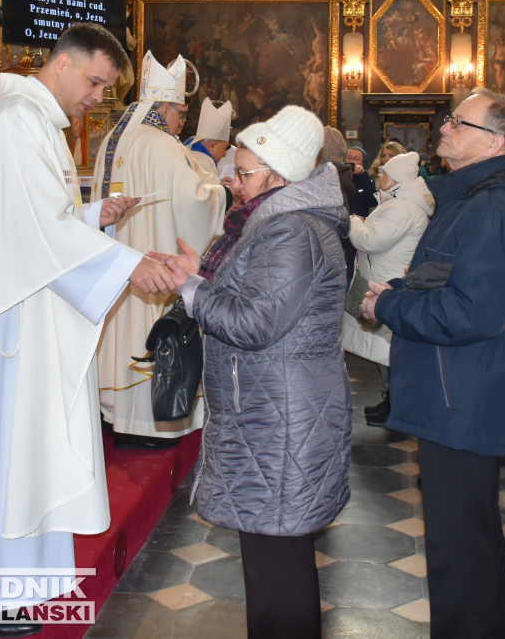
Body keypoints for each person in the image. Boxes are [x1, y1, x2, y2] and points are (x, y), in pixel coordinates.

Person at [0, 23, 178, 637]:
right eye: (96, 82)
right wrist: (132, 263)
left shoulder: (32, 123)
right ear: (64, 65)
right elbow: (35, 234)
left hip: (15, 307)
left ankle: (0, 587)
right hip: (0, 324)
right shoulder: (19, 122)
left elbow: (37, 223)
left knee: (9, 452)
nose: (98, 99)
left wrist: (92, 216)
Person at [155, 106, 351, 639]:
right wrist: (200, 276)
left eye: (243, 175)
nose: (235, 186)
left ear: (279, 174)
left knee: (278, 565)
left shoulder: (292, 232)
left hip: (281, 417)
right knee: (270, 558)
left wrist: (190, 290)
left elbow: (253, 322)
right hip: (270, 409)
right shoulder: (277, 223)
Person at [359, 87, 505, 638]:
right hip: (458, 388)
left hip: (463, 392)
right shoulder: (473, 199)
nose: (443, 129)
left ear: (495, 141)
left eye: (457, 123)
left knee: (459, 546)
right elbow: (449, 278)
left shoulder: (493, 209)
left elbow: (473, 313)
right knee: (469, 537)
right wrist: (400, 287)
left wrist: (388, 304)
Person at [91, 51, 229, 447]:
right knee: (145, 331)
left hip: (120, 262)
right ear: (163, 107)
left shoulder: (114, 141)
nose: (180, 123)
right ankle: (150, 425)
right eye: (179, 113)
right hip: (154, 264)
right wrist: (222, 196)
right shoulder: (161, 144)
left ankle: (116, 413)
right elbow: (193, 202)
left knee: (121, 334)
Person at [342, 151, 435, 426]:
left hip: (388, 283)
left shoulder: (402, 207)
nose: (378, 177)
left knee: (390, 351)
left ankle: (398, 407)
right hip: (385, 278)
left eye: (383, 173)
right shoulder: (399, 202)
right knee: (386, 351)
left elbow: (370, 242)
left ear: (394, 179)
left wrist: (354, 222)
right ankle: (392, 402)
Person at [183, 98, 234, 183]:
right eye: (224, 148)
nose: (225, 154)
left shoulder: (188, 150)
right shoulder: (204, 161)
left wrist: (220, 182)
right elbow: (208, 194)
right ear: (212, 145)